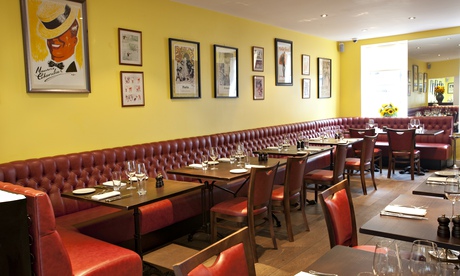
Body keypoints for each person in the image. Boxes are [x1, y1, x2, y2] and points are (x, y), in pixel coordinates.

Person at [34, 2, 80, 82]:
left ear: (74, 41)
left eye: (61, 34)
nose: (54, 39)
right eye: (50, 35)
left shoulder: (78, 76)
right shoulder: (42, 70)